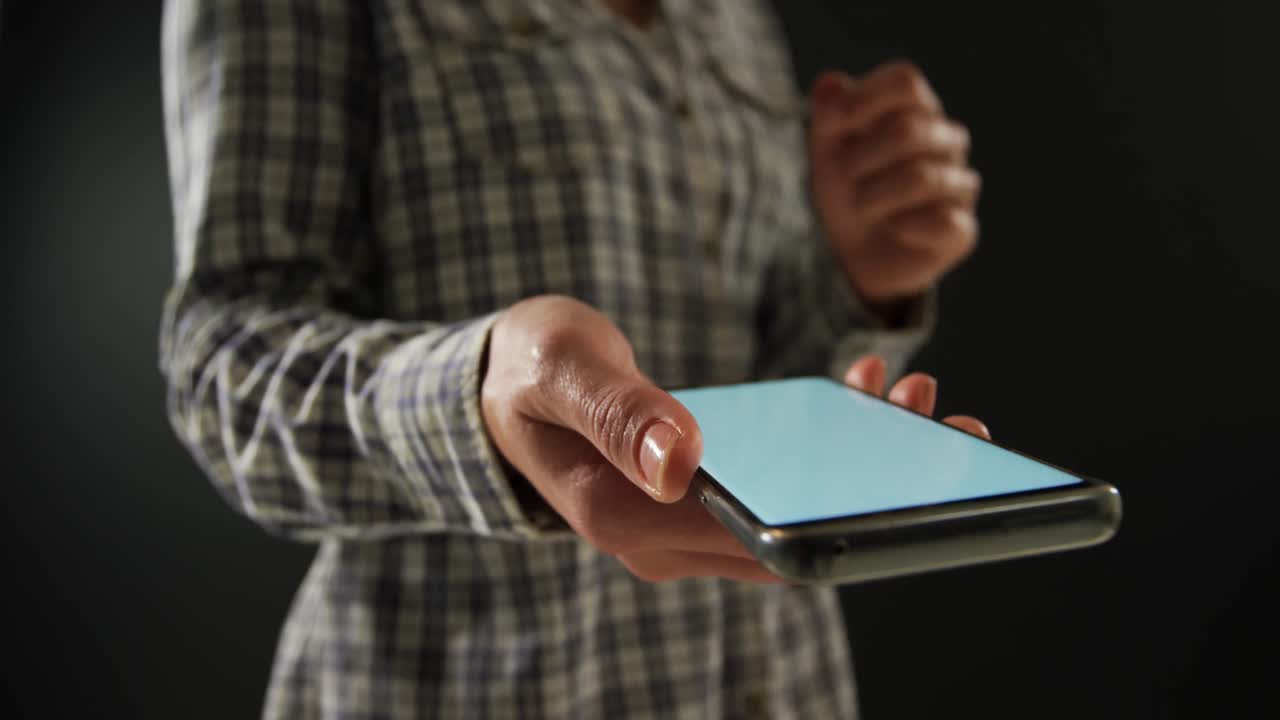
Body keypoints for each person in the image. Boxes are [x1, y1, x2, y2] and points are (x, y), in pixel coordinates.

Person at [158, 0, 986, 716]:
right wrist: (478, 397)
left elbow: (753, 377)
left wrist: (852, 275)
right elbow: (224, 362)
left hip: (777, 681)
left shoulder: (730, 14)